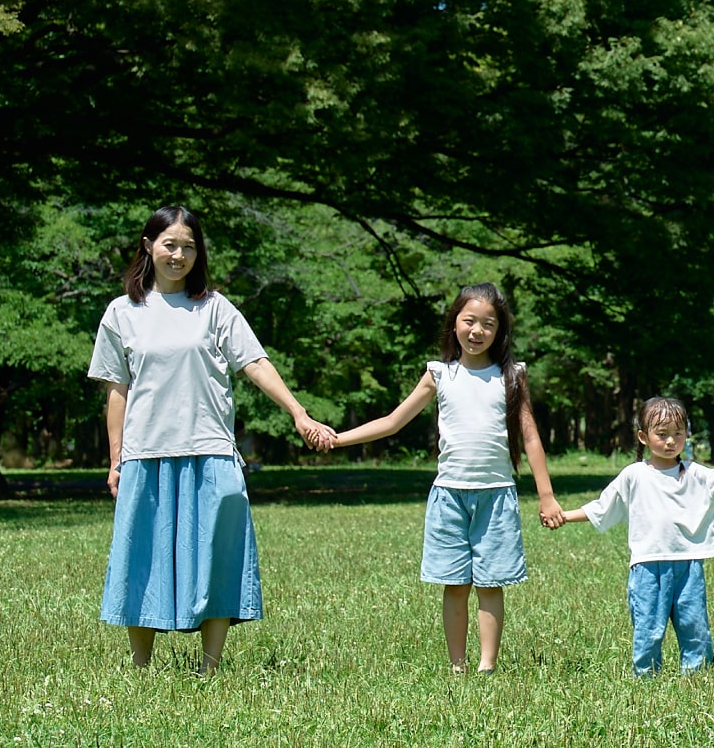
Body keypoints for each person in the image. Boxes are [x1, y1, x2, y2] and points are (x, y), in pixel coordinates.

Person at [88, 206, 336, 671]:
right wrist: (116, 458)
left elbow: (255, 363)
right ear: (148, 246)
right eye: (169, 244)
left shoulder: (215, 308)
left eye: (188, 246)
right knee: (144, 558)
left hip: (212, 450)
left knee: (217, 554)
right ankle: (141, 666)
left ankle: (211, 666)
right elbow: (116, 390)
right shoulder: (123, 313)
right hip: (148, 454)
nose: (178, 255)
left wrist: (297, 412)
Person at [327, 283, 562, 673]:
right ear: (454, 323)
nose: (477, 331)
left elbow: (530, 436)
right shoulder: (439, 374)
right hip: (449, 496)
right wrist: (338, 439)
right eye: (469, 321)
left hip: (496, 494)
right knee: (455, 584)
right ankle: (458, 665)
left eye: (488, 324)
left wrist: (547, 495)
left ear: (500, 331)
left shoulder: (512, 376)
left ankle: (487, 666)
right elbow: (392, 421)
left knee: (490, 584)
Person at [560, 396, 714, 676]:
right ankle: (646, 678)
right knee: (648, 628)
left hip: (688, 564)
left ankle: (697, 677)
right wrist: (564, 516)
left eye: (678, 433)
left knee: (694, 626)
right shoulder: (634, 475)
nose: (671, 441)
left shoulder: (695, 473)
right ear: (643, 437)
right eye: (662, 435)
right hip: (648, 566)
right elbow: (603, 507)